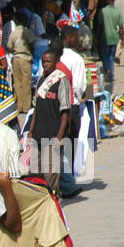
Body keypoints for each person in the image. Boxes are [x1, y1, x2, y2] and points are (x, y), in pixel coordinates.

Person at [28, 49, 73, 193]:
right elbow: (36, 109)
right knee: (35, 171)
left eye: (48, 62)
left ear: (55, 63)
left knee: (51, 174)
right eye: (43, 62)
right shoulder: (41, 80)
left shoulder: (61, 81)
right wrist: (30, 131)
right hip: (38, 134)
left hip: (53, 134)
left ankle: (53, 199)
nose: (45, 65)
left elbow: (65, 112)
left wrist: (59, 137)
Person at [7, 10, 37, 118]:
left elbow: (9, 47)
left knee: (17, 83)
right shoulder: (27, 32)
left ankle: (19, 106)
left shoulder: (13, 33)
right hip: (25, 58)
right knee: (26, 82)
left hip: (16, 58)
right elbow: (33, 43)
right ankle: (26, 107)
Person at [95, 0, 122, 89]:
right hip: (114, 37)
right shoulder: (117, 11)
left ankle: (107, 71)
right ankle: (111, 73)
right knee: (111, 56)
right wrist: (122, 39)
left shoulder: (102, 11)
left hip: (104, 37)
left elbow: (99, 26)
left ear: (107, 0)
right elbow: (121, 26)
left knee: (104, 56)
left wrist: (97, 38)